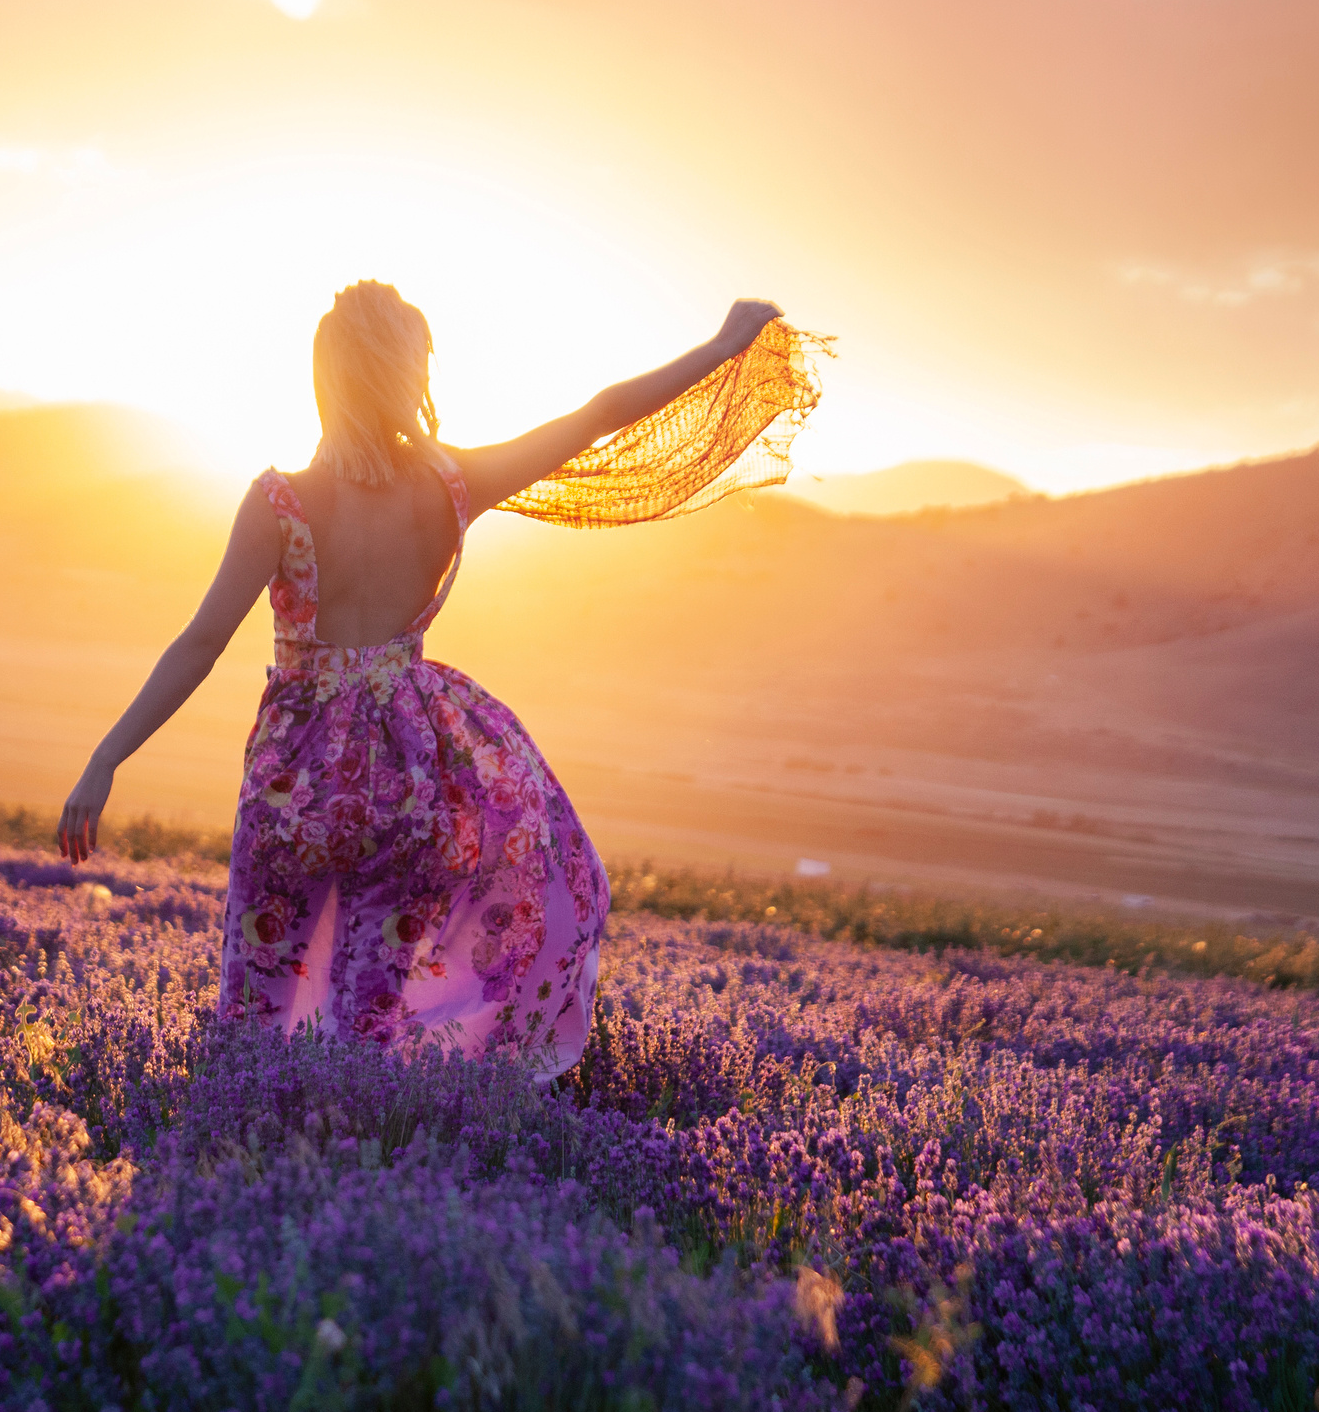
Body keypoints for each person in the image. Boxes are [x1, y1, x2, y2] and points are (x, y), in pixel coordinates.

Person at [59, 282, 800, 1079]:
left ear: (327, 377)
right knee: (367, 1030)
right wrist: (720, 347)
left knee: (252, 1014)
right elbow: (594, 414)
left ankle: (236, 1162)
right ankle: (363, 1164)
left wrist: (107, 757)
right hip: (409, 780)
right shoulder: (449, 489)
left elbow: (200, 643)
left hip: (292, 785)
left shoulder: (280, 503)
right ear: (410, 376)